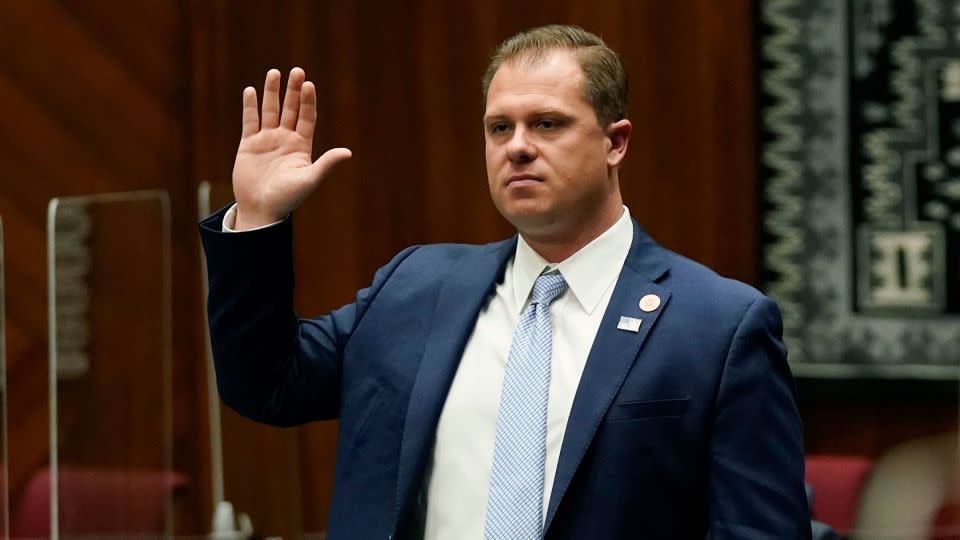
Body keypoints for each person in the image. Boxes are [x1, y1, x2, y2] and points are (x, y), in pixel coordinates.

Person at [200, 25, 811, 540]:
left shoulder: (719, 326)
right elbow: (267, 386)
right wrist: (258, 219)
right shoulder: (416, 287)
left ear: (615, 143)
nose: (517, 148)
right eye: (500, 128)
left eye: (547, 124)